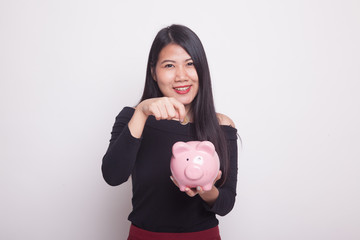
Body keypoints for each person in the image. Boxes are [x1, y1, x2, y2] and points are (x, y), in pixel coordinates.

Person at [101, 24, 238, 240]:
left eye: (190, 64)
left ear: (202, 70)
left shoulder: (221, 125)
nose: (181, 76)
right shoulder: (134, 118)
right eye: (169, 66)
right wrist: (142, 112)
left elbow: (226, 204)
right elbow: (113, 176)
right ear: (154, 72)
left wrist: (206, 189)